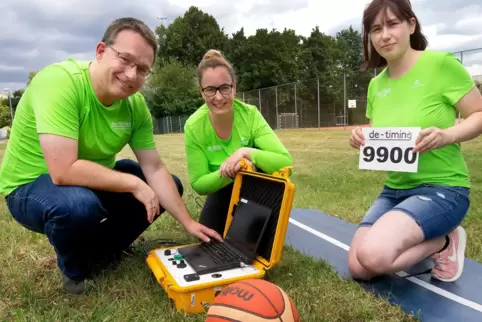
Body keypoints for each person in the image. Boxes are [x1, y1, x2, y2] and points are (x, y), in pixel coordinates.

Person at [0, 17, 222, 295]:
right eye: (125, 60)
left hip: (88, 181)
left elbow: (153, 167)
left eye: (142, 69)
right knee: (79, 205)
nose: (131, 75)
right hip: (30, 186)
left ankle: (101, 253)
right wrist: (134, 185)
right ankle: (76, 272)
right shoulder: (60, 82)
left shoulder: (134, 105)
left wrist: (189, 222)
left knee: (168, 185)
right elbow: (63, 171)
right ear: (101, 51)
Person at [348, 0, 482, 283]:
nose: (384, 35)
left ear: (411, 25)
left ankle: (445, 242)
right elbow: (380, 133)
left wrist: (448, 135)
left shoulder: (440, 64)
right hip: (394, 190)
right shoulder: (376, 84)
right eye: (376, 29)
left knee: (374, 256)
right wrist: (362, 137)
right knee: (359, 268)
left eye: (393, 24)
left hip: (443, 189)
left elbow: (479, 114)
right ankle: (415, 236)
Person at [183, 49, 293, 236]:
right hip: (222, 186)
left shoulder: (250, 114)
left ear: (234, 86)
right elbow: (199, 183)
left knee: (254, 241)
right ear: (201, 91)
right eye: (210, 90)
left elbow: (285, 162)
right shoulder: (193, 126)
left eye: (224, 88)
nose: (218, 97)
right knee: (211, 238)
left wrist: (245, 152)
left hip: (255, 185)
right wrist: (231, 170)